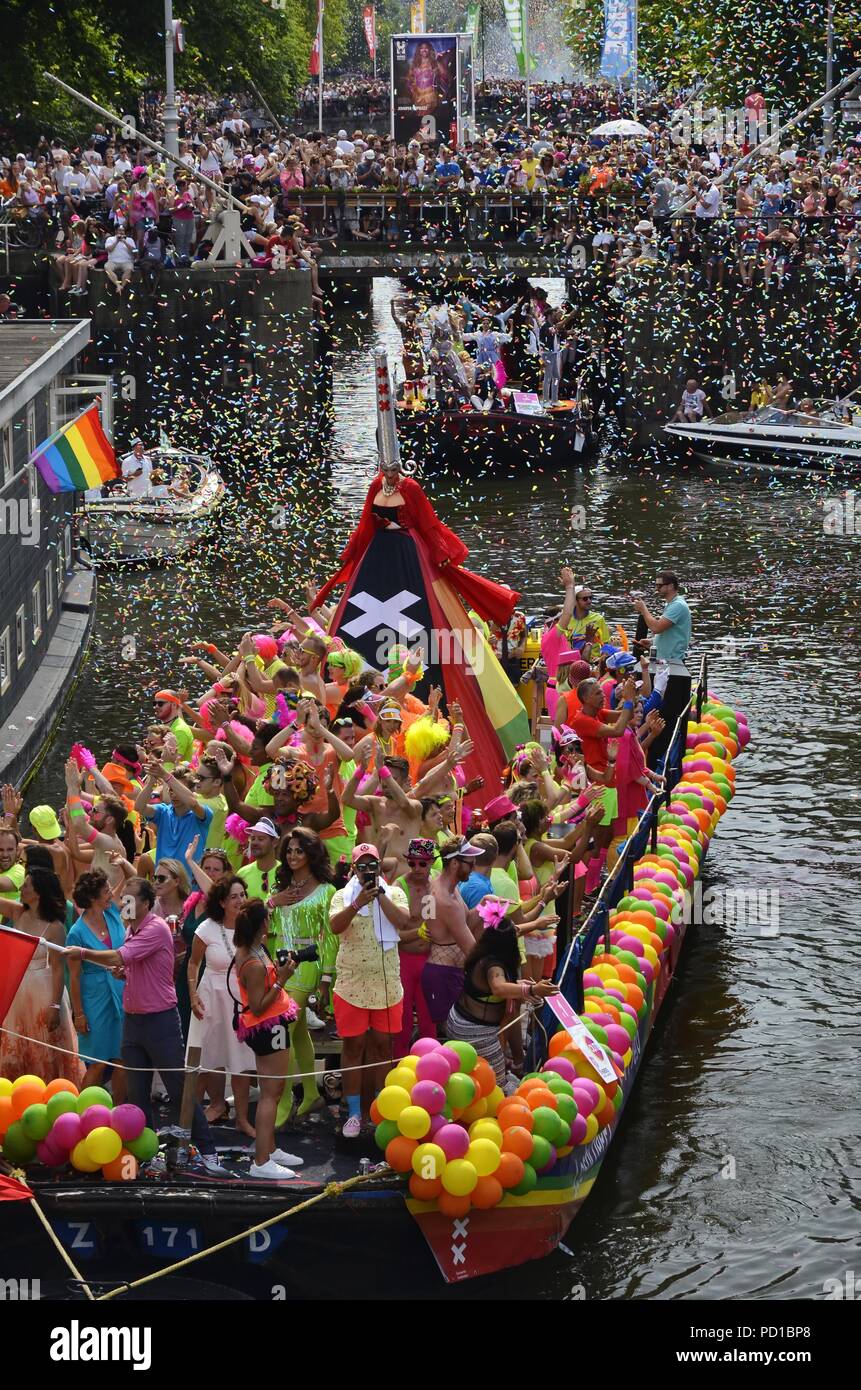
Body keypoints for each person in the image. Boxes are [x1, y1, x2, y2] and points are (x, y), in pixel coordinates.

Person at [64, 875, 227, 1174]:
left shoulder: (154, 928)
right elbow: (133, 965)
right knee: (138, 1096)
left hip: (160, 1021)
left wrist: (85, 953)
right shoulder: (131, 928)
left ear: (146, 903)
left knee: (179, 1090)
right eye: (122, 897)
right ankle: (149, 1153)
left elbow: (118, 955)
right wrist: (124, 974)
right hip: (134, 1022)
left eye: (129, 898)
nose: (122, 902)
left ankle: (208, 1151)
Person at [328, 844, 410, 1137]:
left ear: (379, 867)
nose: (367, 871)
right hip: (351, 986)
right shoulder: (342, 896)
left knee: (382, 1048)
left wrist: (379, 896)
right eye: (361, 866)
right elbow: (335, 927)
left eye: (371, 865)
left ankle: (378, 1110)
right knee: (353, 1048)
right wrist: (358, 903)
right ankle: (352, 1113)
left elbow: (402, 921)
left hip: (387, 986)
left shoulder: (395, 892)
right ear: (353, 870)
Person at [266, 826, 337, 1125]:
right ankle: (310, 1093)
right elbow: (265, 926)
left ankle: (284, 1099)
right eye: (289, 850)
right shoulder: (277, 886)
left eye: (299, 850)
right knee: (298, 1033)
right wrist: (273, 903)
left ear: (311, 853)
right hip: (278, 962)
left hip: (307, 964)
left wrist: (325, 978)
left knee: (284, 1024)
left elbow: (331, 938)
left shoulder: (327, 890)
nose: (293, 856)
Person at [230, 898, 304, 1178]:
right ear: (262, 923)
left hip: (270, 1025)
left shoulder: (253, 948)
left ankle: (270, 1149)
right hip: (267, 1026)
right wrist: (282, 978)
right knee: (270, 1095)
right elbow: (259, 1005)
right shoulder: (253, 962)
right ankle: (261, 1162)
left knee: (274, 1091)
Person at [444, 913, 558, 1092]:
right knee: (500, 1087)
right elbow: (498, 988)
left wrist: (537, 923)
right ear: (508, 944)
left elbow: (514, 932)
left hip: (459, 1020)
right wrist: (531, 990)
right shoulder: (494, 966)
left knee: (478, 1076)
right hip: (474, 1032)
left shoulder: (484, 951)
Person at [186, 875, 256, 1137]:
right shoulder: (207, 928)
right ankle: (210, 1109)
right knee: (209, 1058)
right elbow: (193, 964)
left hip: (242, 999)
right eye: (234, 896)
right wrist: (193, 996)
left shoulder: (250, 926)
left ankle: (242, 1118)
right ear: (223, 902)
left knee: (241, 1060)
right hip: (210, 997)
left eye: (243, 894)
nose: (240, 900)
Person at [0, 868, 82, 1084]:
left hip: (44, 992)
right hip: (18, 990)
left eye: (26, 884)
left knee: (45, 1045)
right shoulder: (18, 913)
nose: (21, 888)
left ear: (39, 892)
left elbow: (57, 969)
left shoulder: (55, 927)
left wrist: (54, 1006)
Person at [65, 868, 126, 1096]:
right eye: (106, 890)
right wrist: (79, 1014)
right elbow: (74, 976)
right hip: (94, 999)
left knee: (122, 1059)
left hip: (121, 991)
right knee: (98, 1062)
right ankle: (83, 1111)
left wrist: (120, 863)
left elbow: (133, 876)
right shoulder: (76, 933)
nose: (111, 893)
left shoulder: (112, 913)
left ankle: (120, 1112)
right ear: (93, 898)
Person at [629, 573, 692, 770]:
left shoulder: (678, 606)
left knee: (666, 711)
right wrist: (652, 643)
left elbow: (656, 626)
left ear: (672, 586)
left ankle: (662, 752)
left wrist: (643, 609)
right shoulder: (671, 605)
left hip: (672, 667)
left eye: (660, 586)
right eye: (655, 585)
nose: (657, 589)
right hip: (664, 662)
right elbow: (663, 632)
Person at [421, 836, 485, 1026]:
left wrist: (484, 904)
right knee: (450, 1038)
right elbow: (471, 950)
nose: (473, 868)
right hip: (443, 975)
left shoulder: (439, 887)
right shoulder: (445, 901)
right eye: (470, 863)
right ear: (455, 863)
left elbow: (460, 922)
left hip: (442, 971)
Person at [392, 836, 436, 1058]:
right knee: (403, 1021)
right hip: (404, 960)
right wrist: (415, 933)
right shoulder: (399, 887)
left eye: (422, 863)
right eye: (412, 863)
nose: (417, 868)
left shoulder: (439, 884)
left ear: (432, 862)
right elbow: (390, 935)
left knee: (430, 1020)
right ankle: (398, 1069)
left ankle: (432, 1067)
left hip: (431, 959)